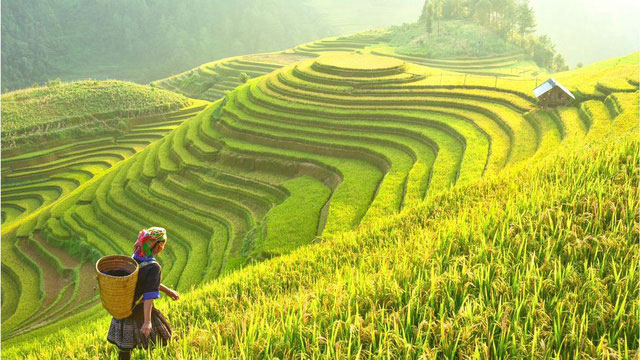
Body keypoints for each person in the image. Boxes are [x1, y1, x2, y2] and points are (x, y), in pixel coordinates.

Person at [107, 227, 179, 360]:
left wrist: (168, 291)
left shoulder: (134, 258)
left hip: (125, 309)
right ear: (156, 246)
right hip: (140, 311)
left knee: (124, 349)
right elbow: (149, 295)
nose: (162, 247)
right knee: (160, 340)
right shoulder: (154, 267)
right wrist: (147, 321)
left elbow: (147, 283)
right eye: (162, 244)